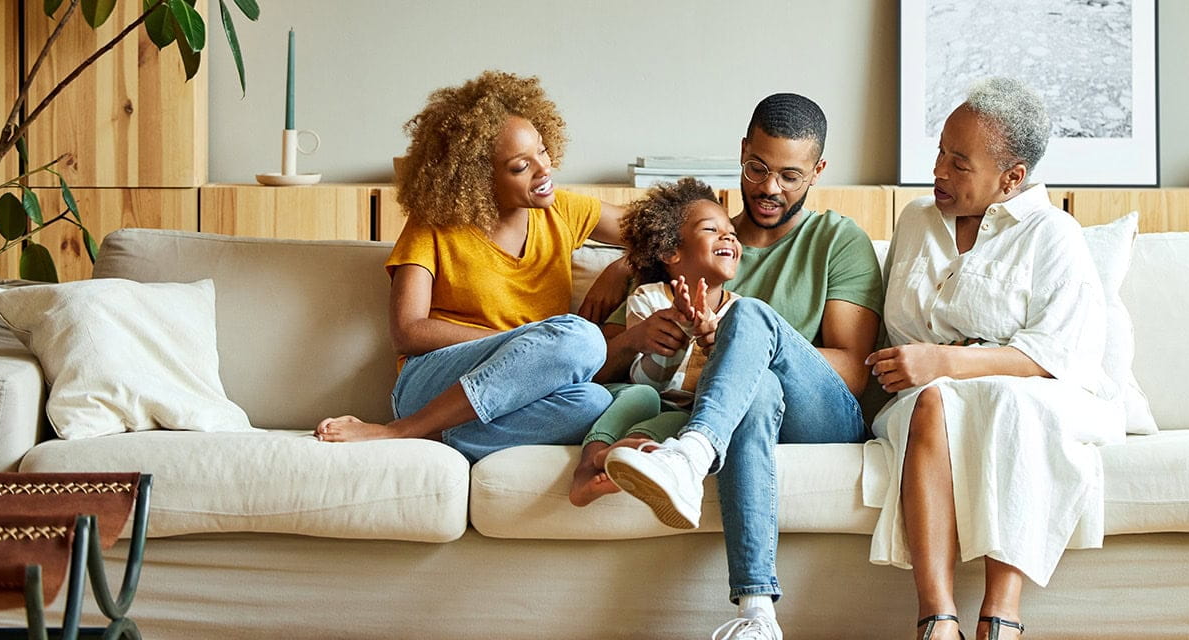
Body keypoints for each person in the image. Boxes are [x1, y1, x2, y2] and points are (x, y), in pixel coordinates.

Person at [593, 93, 884, 639]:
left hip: (823, 418)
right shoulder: (693, 245)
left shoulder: (837, 240)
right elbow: (601, 359)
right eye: (758, 168)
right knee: (756, 391)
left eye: (791, 176)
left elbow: (851, 369)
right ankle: (757, 616)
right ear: (743, 152)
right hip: (754, 413)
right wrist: (629, 266)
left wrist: (740, 344)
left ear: (818, 172)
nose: (770, 188)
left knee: (748, 317)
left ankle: (692, 455)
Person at [864, 78, 1124, 640]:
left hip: (1036, 394)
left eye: (959, 164)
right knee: (932, 401)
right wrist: (948, 362)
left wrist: (949, 360)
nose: (938, 171)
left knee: (1008, 400)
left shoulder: (1053, 234)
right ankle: (937, 618)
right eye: (939, 152)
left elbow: (1057, 353)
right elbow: (904, 336)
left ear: (1012, 178)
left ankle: (1001, 616)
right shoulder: (915, 220)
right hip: (928, 396)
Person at [314, 71, 630, 464]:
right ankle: (399, 429)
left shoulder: (564, 210)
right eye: (520, 166)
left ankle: (439, 435)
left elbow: (665, 233)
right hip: (433, 380)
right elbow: (408, 331)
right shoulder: (434, 224)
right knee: (582, 340)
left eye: (543, 152)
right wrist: (524, 342)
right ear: (478, 179)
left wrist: (625, 263)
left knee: (594, 401)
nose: (544, 169)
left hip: (521, 389)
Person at [568, 178, 742, 507]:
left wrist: (713, 343)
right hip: (639, 393)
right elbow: (648, 380)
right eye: (711, 230)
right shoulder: (648, 300)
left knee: (681, 420)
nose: (728, 236)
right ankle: (585, 469)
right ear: (669, 251)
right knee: (642, 396)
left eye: (731, 231)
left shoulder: (739, 315)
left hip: (683, 408)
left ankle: (625, 452)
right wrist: (678, 333)